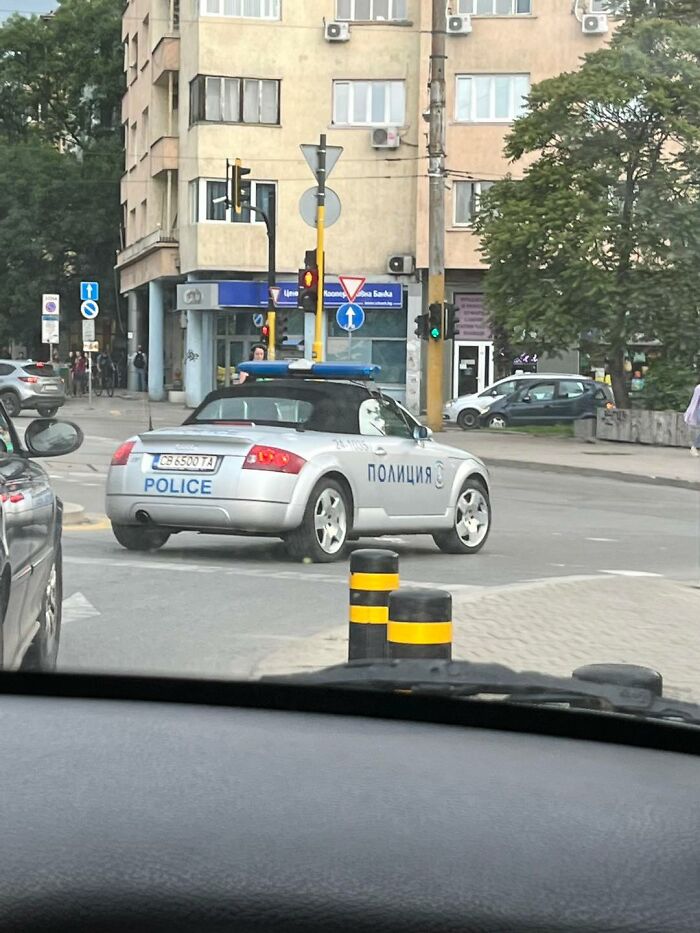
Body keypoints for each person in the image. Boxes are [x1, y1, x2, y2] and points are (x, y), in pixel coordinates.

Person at [683, 381, 700, 457]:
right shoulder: (699, 388)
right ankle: (694, 446)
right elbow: (694, 401)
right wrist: (690, 413)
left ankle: (694, 446)